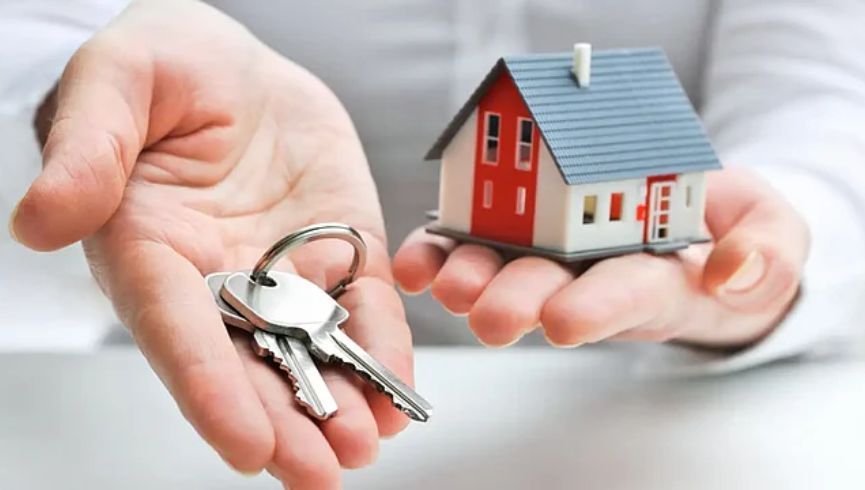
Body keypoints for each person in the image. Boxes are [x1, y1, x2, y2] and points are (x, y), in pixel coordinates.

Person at [1, 0, 864, 489]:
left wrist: (783, 236)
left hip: (670, 428)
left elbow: (827, 103)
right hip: (136, 415)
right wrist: (70, 79)